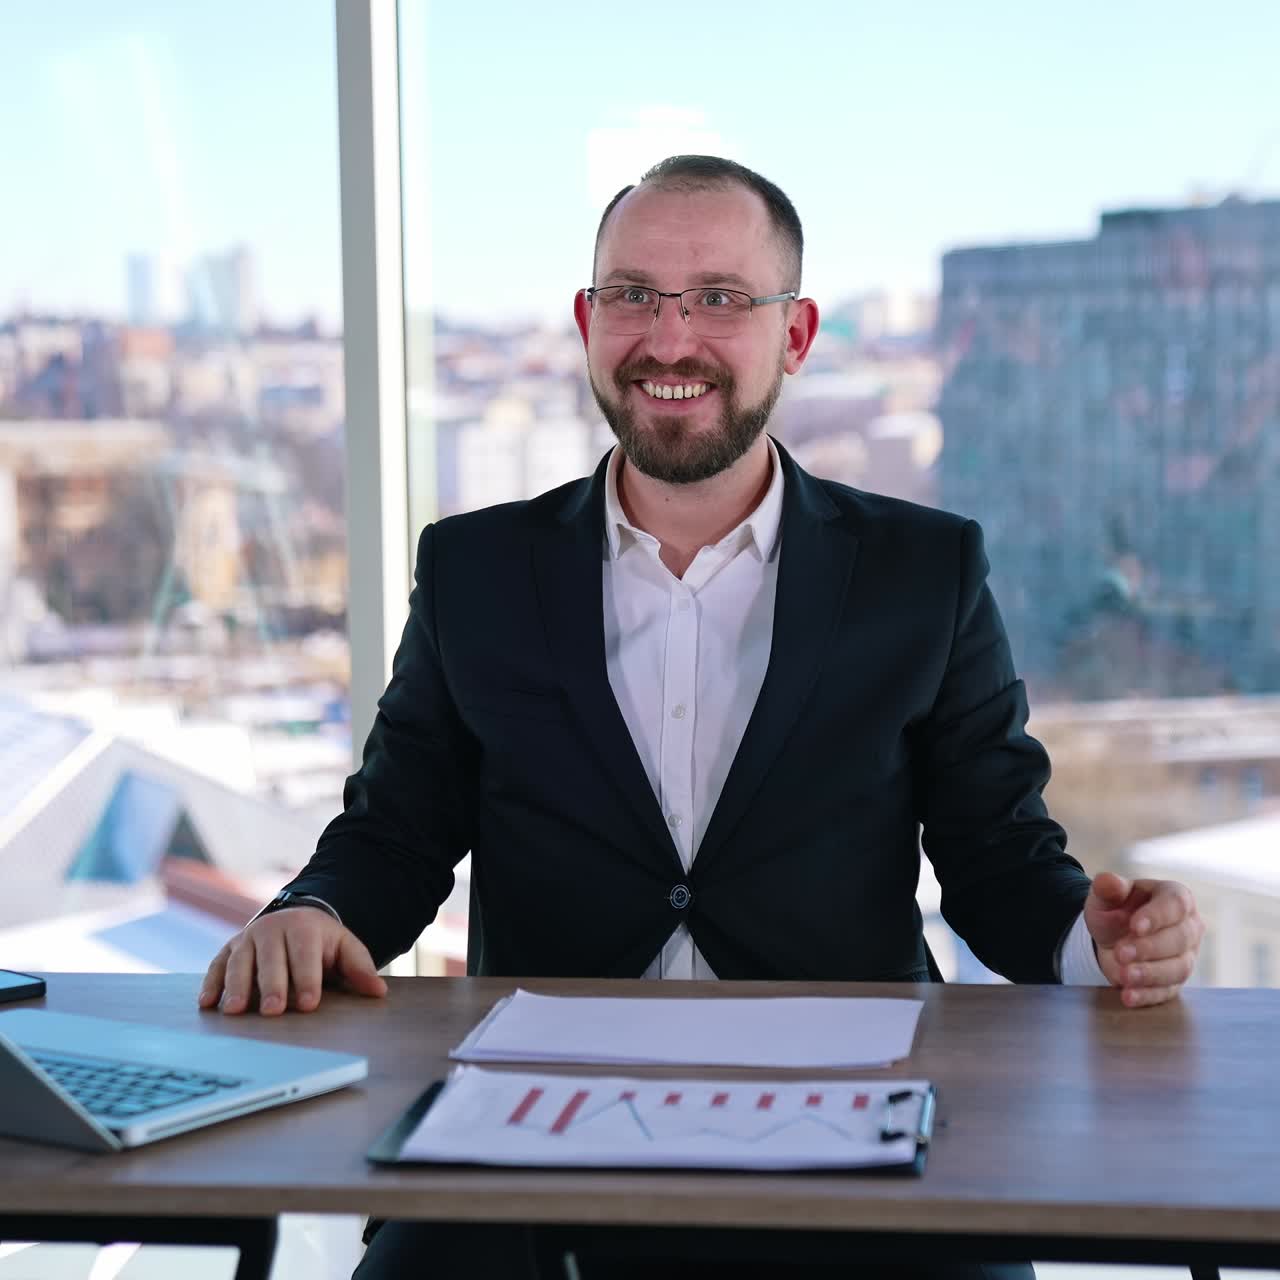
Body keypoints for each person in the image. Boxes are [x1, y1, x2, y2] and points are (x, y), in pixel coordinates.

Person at [200, 156, 1205, 1279]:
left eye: (720, 298)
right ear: (587, 321)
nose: (668, 339)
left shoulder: (924, 572)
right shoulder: (474, 568)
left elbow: (994, 854)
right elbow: (397, 828)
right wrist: (313, 907)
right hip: (533, 1134)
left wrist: (1090, 936)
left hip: (853, 1124)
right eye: (632, 294)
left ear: (795, 333)